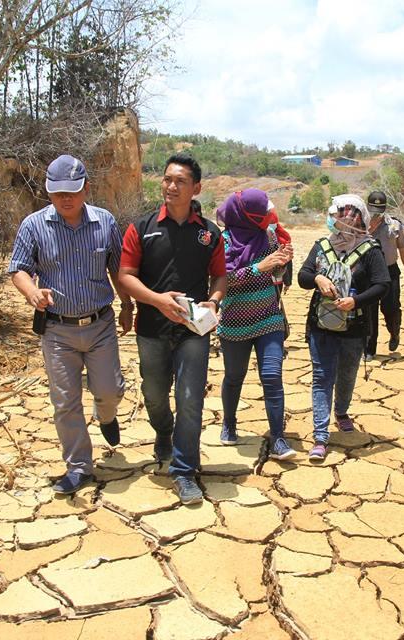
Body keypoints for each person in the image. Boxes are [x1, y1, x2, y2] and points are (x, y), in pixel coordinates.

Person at [8, 154, 128, 495]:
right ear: (48, 191)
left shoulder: (105, 222)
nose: (65, 198)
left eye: (72, 191)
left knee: (109, 390)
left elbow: (119, 270)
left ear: (86, 188)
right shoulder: (33, 225)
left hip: (100, 324)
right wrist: (32, 292)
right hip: (58, 330)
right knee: (65, 401)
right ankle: (79, 466)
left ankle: (106, 415)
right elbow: (18, 268)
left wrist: (128, 306)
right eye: (58, 191)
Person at [117, 153, 227, 505]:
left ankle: (184, 471)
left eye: (180, 181)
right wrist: (157, 300)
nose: (171, 186)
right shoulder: (141, 228)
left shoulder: (209, 234)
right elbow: (125, 276)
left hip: (194, 331)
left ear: (196, 188)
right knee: (154, 394)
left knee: (190, 398)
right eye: (167, 179)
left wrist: (214, 301)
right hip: (151, 328)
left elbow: (220, 276)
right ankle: (163, 431)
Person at [298, 194, 390, 461]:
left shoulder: (370, 250)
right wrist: (317, 278)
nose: (333, 220)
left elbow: (382, 285)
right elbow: (303, 276)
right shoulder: (322, 246)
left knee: (347, 375)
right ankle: (320, 436)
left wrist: (355, 301)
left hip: (354, 328)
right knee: (322, 377)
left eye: (337, 216)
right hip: (321, 326)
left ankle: (340, 411)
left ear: (353, 220)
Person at [216, 189, 296, 461]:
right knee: (234, 377)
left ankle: (278, 438)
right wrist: (257, 268)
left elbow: (276, 274)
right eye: (261, 213)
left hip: (269, 319)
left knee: (272, 377)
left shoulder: (269, 236)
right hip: (234, 323)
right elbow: (221, 280)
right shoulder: (223, 241)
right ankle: (229, 423)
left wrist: (282, 262)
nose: (267, 216)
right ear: (246, 215)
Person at [364, 190, 404, 360]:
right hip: (368, 274)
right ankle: (369, 349)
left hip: (390, 271)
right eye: (373, 210)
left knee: (390, 308)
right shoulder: (360, 225)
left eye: (379, 211)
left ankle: (394, 332)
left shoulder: (394, 225)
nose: (376, 214)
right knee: (369, 311)